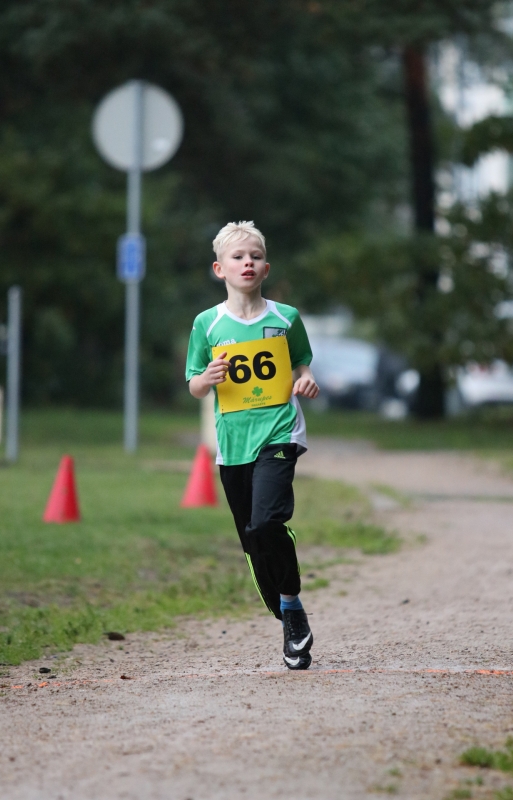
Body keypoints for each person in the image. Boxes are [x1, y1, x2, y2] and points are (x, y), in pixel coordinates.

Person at [185, 221, 319, 670]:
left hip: (279, 432)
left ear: (266, 267)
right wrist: (205, 379)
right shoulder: (207, 324)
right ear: (219, 268)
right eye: (239, 257)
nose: (248, 263)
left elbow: (301, 363)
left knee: (266, 523)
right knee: (252, 538)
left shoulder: (286, 318)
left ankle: (293, 608)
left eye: (255, 256)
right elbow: (195, 385)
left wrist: (306, 379)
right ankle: (284, 608)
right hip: (233, 445)